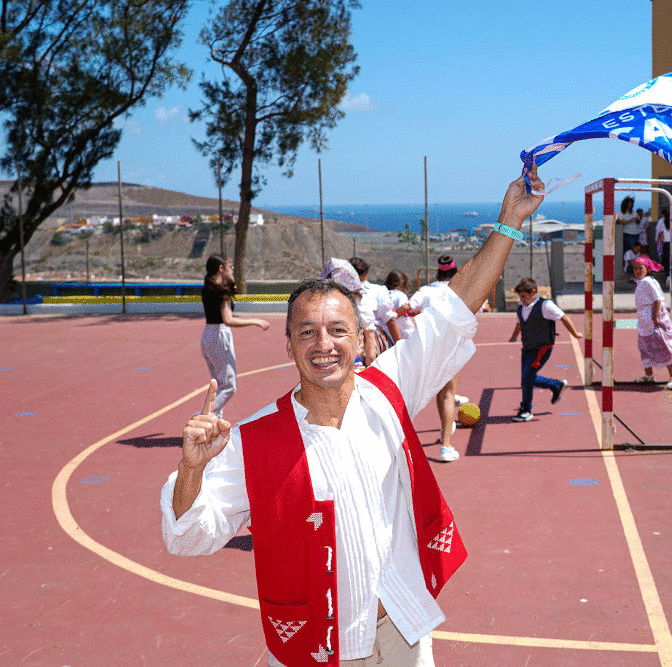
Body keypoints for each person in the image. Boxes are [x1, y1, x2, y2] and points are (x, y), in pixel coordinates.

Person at [161, 166, 546, 667]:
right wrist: (191, 470)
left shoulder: (389, 390)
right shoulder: (254, 440)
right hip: (317, 648)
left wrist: (508, 222)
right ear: (289, 345)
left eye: (338, 330)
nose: (324, 344)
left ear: (359, 336)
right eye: (307, 333)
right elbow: (189, 538)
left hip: (402, 631)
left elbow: (455, 308)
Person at [409, 255, 465, 462]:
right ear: (455, 271)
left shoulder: (426, 291)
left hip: (428, 348)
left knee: (425, 394)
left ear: (437, 272)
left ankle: (402, 443)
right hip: (451, 347)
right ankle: (445, 446)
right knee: (448, 394)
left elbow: (409, 306)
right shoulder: (458, 291)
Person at [199, 253, 270, 417]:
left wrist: (229, 280)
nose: (232, 270)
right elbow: (228, 320)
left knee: (218, 384)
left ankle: (215, 420)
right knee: (229, 385)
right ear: (221, 269)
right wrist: (255, 321)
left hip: (208, 335)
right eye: (229, 268)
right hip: (219, 335)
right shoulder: (220, 292)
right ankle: (205, 415)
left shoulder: (208, 288)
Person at [508, 277, 582, 422]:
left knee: (527, 378)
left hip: (542, 348)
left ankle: (526, 409)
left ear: (533, 292)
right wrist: (514, 336)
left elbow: (564, 317)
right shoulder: (521, 306)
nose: (521, 299)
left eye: (523, 296)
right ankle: (556, 384)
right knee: (527, 378)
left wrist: (575, 333)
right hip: (527, 347)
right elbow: (519, 323)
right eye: (520, 296)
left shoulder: (545, 305)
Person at [632, 255, 672, 387]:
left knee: (663, 346)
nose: (637, 271)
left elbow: (658, 299)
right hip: (644, 320)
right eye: (635, 268)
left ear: (647, 269)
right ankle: (649, 375)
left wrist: (655, 317)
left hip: (652, 319)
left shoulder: (648, 281)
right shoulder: (641, 282)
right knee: (645, 347)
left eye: (640, 268)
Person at [350, 256, 402, 348]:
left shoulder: (340, 291)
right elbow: (390, 320)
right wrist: (400, 345)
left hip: (349, 337)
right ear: (365, 273)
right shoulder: (377, 291)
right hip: (371, 339)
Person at [385, 269, 416, 340]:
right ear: (401, 284)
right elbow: (404, 307)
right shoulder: (400, 295)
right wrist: (392, 317)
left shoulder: (384, 294)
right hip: (403, 335)